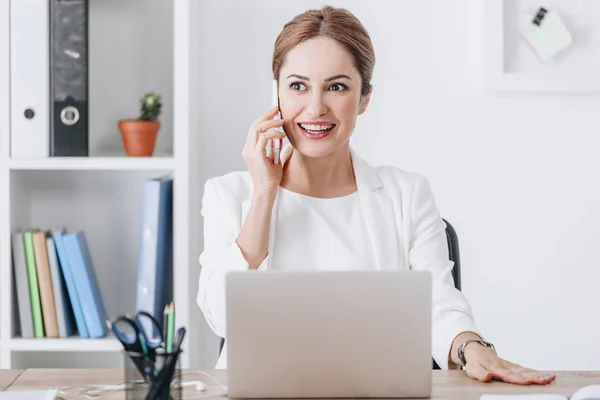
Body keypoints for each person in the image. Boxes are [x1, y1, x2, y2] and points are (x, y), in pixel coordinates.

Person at [197, 5, 556, 385]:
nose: (315, 107)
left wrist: (472, 347)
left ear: (364, 98)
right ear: (278, 94)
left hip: (374, 391)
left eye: (336, 87)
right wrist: (265, 192)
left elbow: (437, 303)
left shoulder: (406, 194)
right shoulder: (229, 195)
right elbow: (221, 315)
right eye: (298, 85)